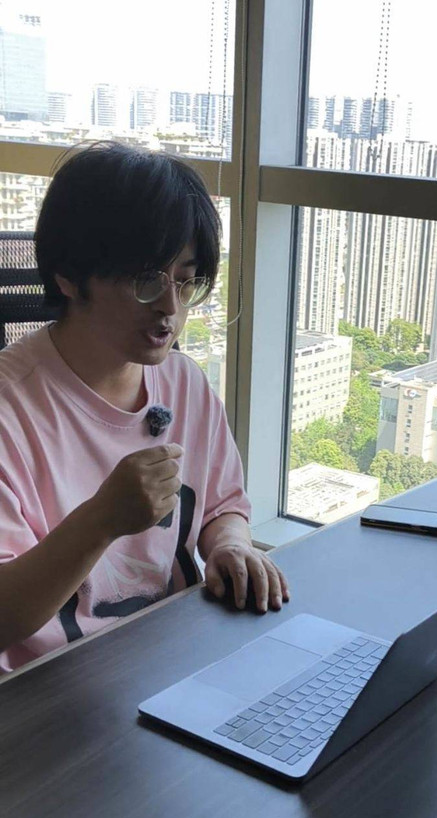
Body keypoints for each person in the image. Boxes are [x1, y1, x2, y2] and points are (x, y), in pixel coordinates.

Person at [0, 141, 289, 674]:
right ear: (69, 276)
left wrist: (230, 545)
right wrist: (102, 521)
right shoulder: (10, 412)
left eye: (185, 280)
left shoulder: (183, 381)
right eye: (146, 281)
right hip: (50, 692)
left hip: (172, 656)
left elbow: (222, 504)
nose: (170, 308)